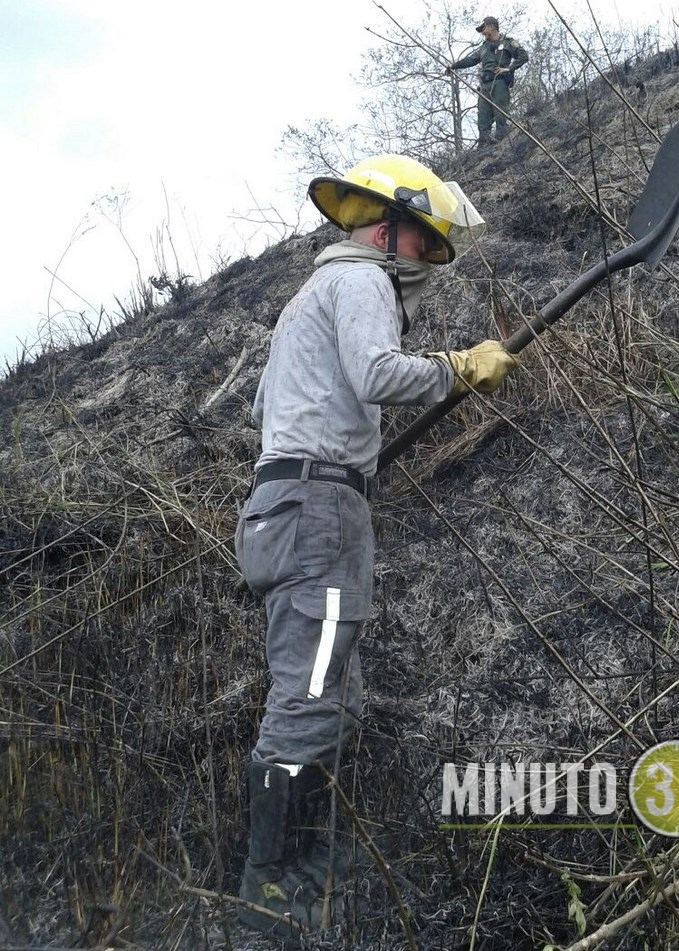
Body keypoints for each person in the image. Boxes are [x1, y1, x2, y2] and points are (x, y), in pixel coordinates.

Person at [234, 153, 519, 942]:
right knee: (310, 696)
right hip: (318, 514)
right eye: (426, 244)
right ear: (391, 229)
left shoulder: (305, 300)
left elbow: (287, 408)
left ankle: (308, 864)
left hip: (286, 509)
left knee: (333, 691)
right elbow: (374, 373)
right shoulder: (359, 280)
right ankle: (271, 889)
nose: (427, 261)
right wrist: (459, 367)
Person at [447, 15, 529, 146]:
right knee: (483, 118)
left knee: (501, 115)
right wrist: (454, 66)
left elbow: (523, 56)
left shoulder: (507, 42)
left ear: (491, 27)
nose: (482, 32)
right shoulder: (484, 47)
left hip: (500, 83)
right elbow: (471, 60)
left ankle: (504, 145)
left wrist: (509, 69)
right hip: (485, 86)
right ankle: (484, 148)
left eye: (483, 28)